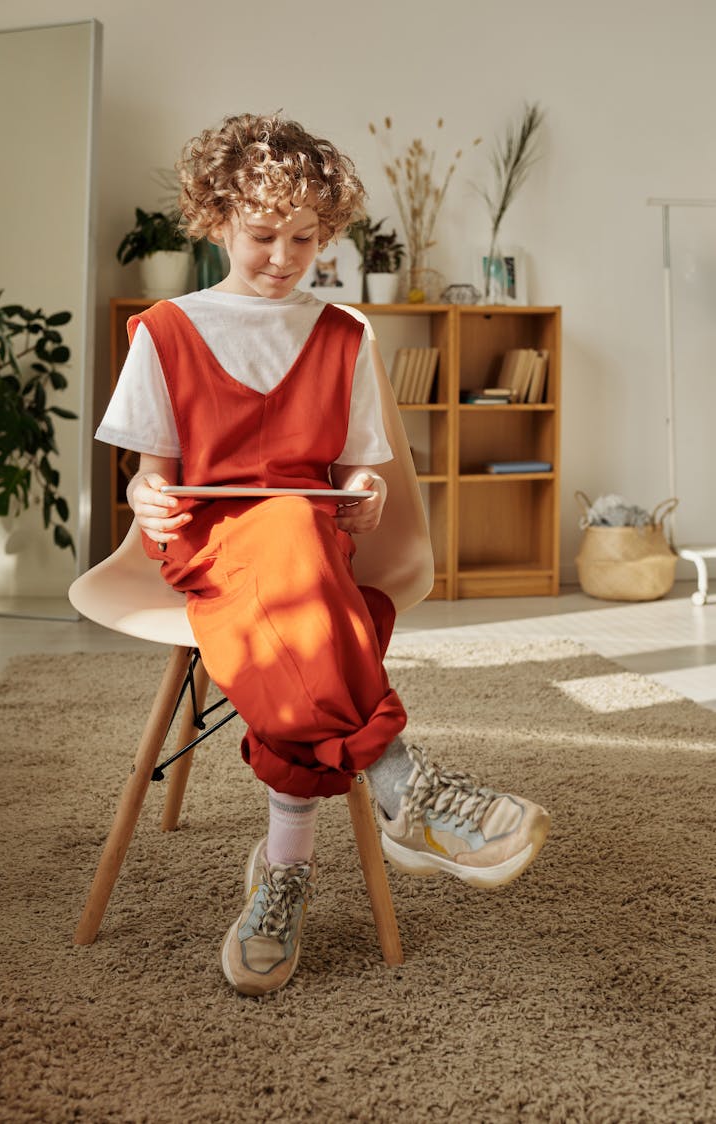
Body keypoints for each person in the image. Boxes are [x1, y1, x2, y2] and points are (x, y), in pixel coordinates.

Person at [96, 113, 550, 998]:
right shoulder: (165, 330)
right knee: (293, 559)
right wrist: (145, 498)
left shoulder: (341, 335)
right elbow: (150, 487)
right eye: (263, 236)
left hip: (310, 555)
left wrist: (368, 496)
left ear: (328, 234)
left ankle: (284, 870)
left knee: (301, 558)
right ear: (216, 220)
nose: (282, 256)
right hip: (215, 547)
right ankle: (401, 780)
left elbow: (357, 478)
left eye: (303, 239)